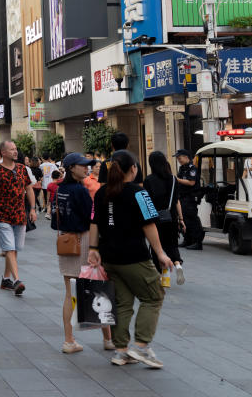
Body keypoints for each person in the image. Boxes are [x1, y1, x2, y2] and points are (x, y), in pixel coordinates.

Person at [88, 150, 172, 368]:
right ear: (133, 168)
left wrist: (93, 248)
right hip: (134, 256)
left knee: (122, 303)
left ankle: (121, 351)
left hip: (108, 256)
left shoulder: (101, 192)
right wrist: (161, 253)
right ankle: (142, 346)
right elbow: (149, 224)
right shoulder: (139, 193)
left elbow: (95, 222)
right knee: (153, 297)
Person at [53, 153, 114, 354]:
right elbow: (93, 217)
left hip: (66, 241)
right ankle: (108, 339)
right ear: (72, 168)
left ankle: (68, 341)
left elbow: (56, 219)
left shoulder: (61, 188)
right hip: (85, 239)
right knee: (99, 287)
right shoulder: (79, 190)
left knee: (70, 294)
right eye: (82, 165)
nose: (87, 168)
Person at [0, 140, 37, 296]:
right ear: (3, 152)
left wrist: (33, 209)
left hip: (19, 214)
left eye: (16, 149)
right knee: (9, 248)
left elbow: (28, 188)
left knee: (14, 249)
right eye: (12, 149)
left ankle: (6, 278)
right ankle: (17, 280)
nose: (16, 152)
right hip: (2, 215)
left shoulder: (22, 168)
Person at [144, 151, 185, 284]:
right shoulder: (173, 179)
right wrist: (181, 219)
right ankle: (178, 264)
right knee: (172, 244)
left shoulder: (149, 180)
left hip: (155, 218)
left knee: (157, 247)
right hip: (171, 216)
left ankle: (162, 278)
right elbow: (177, 201)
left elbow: (146, 202)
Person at [174, 149, 204, 250]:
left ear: (186, 157)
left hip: (191, 198)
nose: (179, 160)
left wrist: (177, 180)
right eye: (178, 158)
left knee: (192, 219)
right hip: (183, 197)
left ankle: (197, 242)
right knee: (184, 219)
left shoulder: (192, 168)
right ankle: (187, 240)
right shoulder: (182, 168)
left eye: (180, 158)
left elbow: (191, 183)